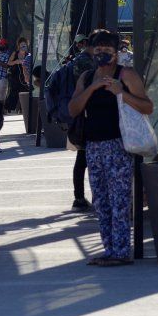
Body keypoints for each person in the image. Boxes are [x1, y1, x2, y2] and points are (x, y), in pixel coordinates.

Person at [68, 30, 153, 266]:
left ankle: (121, 251)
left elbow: (147, 107)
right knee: (101, 200)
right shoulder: (86, 77)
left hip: (119, 145)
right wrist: (92, 88)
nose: (102, 55)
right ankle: (109, 249)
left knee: (119, 200)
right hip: (93, 147)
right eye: (98, 50)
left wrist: (121, 93)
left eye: (107, 50)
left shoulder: (126, 75)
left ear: (116, 53)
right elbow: (73, 109)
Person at [70, 33, 96, 211]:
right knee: (85, 158)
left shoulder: (82, 60)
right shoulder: (85, 63)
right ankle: (80, 197)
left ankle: (80, 197)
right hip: (87, 115)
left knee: (83, 158)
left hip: (84, 115)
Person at [5, 37, 30, 114]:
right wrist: (16, 61)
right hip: (15, 75)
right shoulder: (15, 53)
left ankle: (23, 109)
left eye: (24, 45)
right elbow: (9, 63)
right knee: (14, 92)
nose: (23, 47)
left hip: (24, 76)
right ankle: (8, 108)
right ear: (19, 46)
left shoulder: (28, 55)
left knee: (25, 91)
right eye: (22, 45)